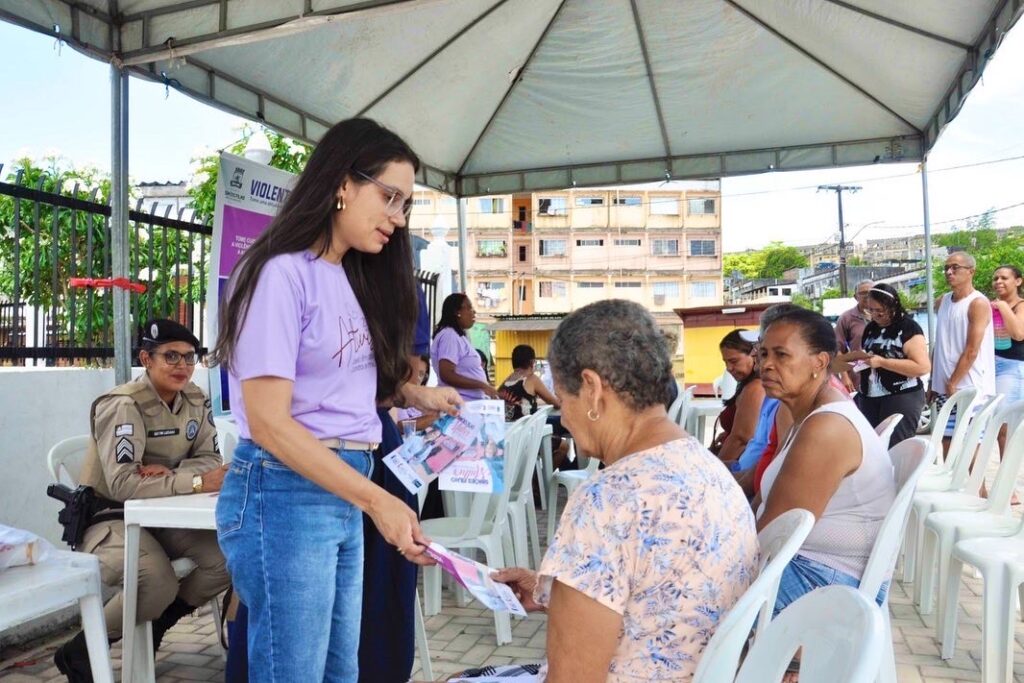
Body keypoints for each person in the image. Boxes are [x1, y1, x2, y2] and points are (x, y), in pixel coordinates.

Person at [210, 118, 459, 682]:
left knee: (337, 673)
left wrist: (416, 392)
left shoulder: (349, 276)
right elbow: (271, 424)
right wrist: (378, 501)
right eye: (389, 196)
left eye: (406, 204)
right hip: (286, 489)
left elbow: (338, 379)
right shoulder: (279, 274)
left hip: (342, 485)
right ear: (342, 183)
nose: (398, 217)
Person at [459, 299, 759, 681]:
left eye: (564, 399)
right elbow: (662, 600)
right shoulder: (708, 470)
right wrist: (554, 590)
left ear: (592, 388)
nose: (563, 416)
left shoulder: (607, 500)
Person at [54, 319, 231, 681]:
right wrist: (193, 480)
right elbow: (123, 484)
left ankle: (157, 626)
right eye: (171, 356)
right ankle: (82, 648)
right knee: (156, 579)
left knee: (229, 556)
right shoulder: (122, 405)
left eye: (189, 357)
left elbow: (211, 458)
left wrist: (168, 473)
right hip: (110, 517)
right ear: (146, 359)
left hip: (164, 513)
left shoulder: (195, 398)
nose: (182, 366)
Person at [755, 308, 895, 619]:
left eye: (781, 355)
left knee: (691, 596)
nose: (766, 365)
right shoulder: (804, 412)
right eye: (762, 353)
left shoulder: (827, 427)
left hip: (828, 580)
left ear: (819, 362)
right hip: (813, 565)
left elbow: (776, 534)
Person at [845, 283, 930, 447]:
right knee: (873, 449)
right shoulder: (871, 328)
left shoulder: (908, 328)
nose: (875, 315)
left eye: (880, 311)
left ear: (892, 306)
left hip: (901, 396)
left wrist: (883, 362)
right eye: (871, 310)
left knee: (896, 447)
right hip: (870, 396)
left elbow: (922, 367)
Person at [929, 251, 995, 449]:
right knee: (947, 444)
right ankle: (952, 482)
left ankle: (979, 483)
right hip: (944, 387)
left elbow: (972, 349)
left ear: (971, 271)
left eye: (955, 267)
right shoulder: (942, 301)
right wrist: (933, 381)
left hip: (969, 387)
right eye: (946, 268)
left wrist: (953, 382)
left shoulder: (978, 303)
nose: (949, 272)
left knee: (970, 446)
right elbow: (938, 344)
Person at [431, 293, 500, 401]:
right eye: (469, 307)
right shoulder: (449, 336)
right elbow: (446, 374)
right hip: (459, 405)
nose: (473, 311)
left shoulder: (457, 336)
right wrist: (481, 385)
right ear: (457, 312)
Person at [712, 329, 765, 463]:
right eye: (726, 362)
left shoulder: (755, 388)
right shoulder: (748, 385)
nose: (729, 368)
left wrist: (714, 470)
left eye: (734, 361)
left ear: (754, 354)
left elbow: (741, 440)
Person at [991, 265, 1024, 455]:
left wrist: (1003, 306)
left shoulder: (1020, 305)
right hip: (995, 366)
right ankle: (1007, 480)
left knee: (1007, 427)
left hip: (1013, 368)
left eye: (1004, 278)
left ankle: (1008, 482)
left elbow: (1018, 334)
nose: (998, 282)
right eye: (995, 279)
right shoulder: (993, 306)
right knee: (999, 427)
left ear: (1018, 281)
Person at [497, 344, 561, 421]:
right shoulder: (532, 378)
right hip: (525, 428)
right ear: (532, 362)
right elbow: (556, 404)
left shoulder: (506, 382)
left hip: (507, 429)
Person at [835, 279, 875, 393]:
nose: (867, 295)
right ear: (855, 297)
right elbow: (838, 350)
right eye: (862, 293)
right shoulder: (846, 318)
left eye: (870, 292)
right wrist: (844, 376)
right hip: (858, 378)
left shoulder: (885, 315)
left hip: (884, 376)